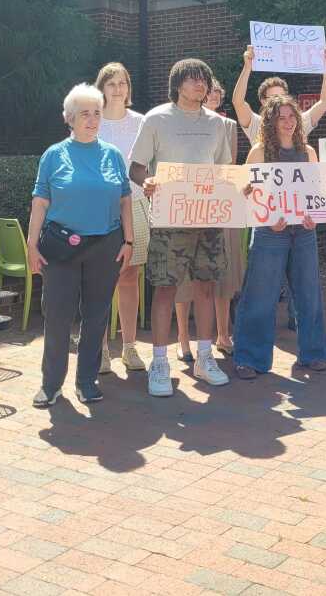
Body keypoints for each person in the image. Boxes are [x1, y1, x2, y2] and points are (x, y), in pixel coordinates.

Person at [130, 58, 232, 397]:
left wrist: (239, 189)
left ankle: (204, 357)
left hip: (207, 219)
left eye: (203, 79)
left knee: (205, 287)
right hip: (170, 219)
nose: (199, 85)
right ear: (177, 85)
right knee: (165, 289)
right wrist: (150, 182)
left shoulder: (217, 123)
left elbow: (224, 172)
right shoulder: (156, 118)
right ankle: (160, 362)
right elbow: (137, 168)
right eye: (191, 80)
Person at [28, 84, 134, 407]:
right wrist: (32, 244)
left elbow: (125, 201)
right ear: (70, 119)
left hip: (106, 245)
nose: (92, 119)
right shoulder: (53, 155)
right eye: (84, 114)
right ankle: (51, 384)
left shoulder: (113, 156)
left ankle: (87, 381)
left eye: (96, 113)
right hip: (61, 248)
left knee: (97, 315)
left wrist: (128, 240)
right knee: (57, 315)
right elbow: (40, 203)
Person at [233, 96, 326, 378]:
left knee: (309, 293)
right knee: (260, 296)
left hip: (303, 233)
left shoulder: (308, 152)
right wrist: (266, 218)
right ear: (271, 122)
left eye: (292, 117)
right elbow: (245, 193)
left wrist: (314, 216)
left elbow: (318, 194)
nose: (288, 123)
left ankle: (313, 353)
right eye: (281, 117)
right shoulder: (260, 152)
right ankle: (249, 358)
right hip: (269, 233)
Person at [174, 78, 245, 361]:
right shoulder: (182, 124)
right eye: (209, 90)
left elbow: (228, 166)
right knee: (185, 275)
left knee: (222, 274)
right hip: (189, 205)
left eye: (218, 90)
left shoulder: (228, 126)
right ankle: (182, 338)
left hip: (220, 205)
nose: (213, 94)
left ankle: (223, 333)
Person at [95, 62, 149, 374]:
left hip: (137, 205)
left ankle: (129, 347)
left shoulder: (142, 122)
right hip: (100, 210)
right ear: (101, 88)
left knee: (129, 276)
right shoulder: (92, 121)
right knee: (101, 280)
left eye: (122, 83)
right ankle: (100, 349)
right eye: (111, 83)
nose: (118, 89)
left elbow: (148, 166)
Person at [231, 44, 326, 143]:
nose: (279, 101)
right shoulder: (256, 124)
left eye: (282, 97)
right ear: (263, 101)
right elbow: (238, 102)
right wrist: (247, 67)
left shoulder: (297, 122)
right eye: (274, 97)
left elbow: (325, 101)